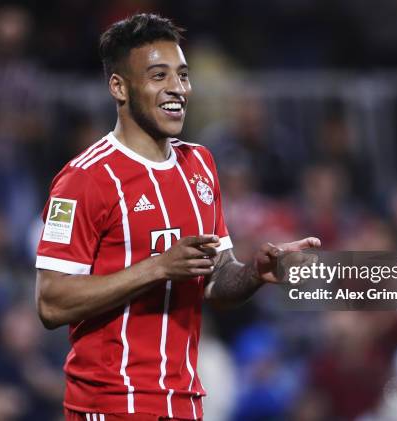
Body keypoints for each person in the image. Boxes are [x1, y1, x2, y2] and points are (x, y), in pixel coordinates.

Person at [35, 13, 320, 421]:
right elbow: (50, 302)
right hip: (111, 405)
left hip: (184, 402)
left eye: (182, 75)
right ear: (119, 87)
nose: (177, 89)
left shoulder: (200, 164)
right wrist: (157, 268)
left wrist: (256, 272)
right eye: (158, 75)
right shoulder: (84, 180)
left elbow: (215, 282)